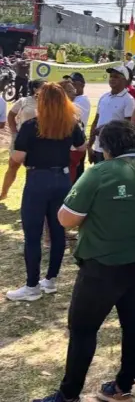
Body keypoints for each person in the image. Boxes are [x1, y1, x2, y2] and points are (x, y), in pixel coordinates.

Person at [33, 121, 135, 402]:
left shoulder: (99, 173)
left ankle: (68, 393)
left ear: (107, 148)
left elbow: (66, 218)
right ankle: (123, 385)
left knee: (83, 329)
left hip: (104, 264)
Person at [6, 83, 86, 301]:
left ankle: (32, 285)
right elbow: (81, 147)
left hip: (37, 179)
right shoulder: (69, 124)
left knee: (33, 234)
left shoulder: (32, 126)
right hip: (61, 178)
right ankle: (50, 280)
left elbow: (18, 158)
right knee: (57, 231)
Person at [1, 79, 45, 200]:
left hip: (39, 141)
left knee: (33, 169)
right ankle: (3, 193)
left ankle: (30, 197)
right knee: (13, 166)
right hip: (21, 139)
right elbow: (11, 115)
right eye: (43, 87)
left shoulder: (48, 103)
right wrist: (14, 131)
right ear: (35, 89)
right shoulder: (24, 101)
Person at [89, 66, 135, 164]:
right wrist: (89, 146)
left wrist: (106, 129)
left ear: (125, 80)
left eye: (116, 77)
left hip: (114, 151)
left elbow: (128, 127)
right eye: (111, 76)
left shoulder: (129, 100)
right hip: (99, 147)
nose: (112, 79)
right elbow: (96, 121)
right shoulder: (104, 97)